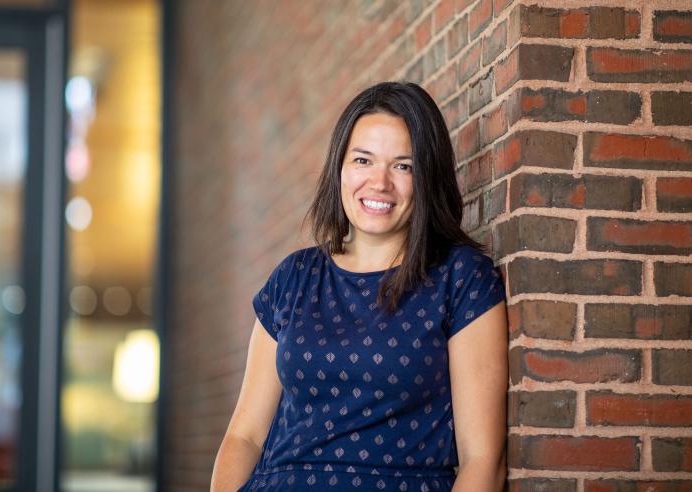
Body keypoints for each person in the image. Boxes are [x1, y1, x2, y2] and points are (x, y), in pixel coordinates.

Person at [210, 81, 508, 492]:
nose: (379, 182)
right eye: (363, 160)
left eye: (403, 166)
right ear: (340, 168)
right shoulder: (294, 278)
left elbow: (483, 462)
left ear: (427, 178)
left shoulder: (460, 279)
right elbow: (245, 435)